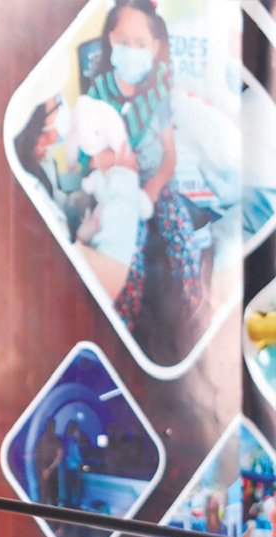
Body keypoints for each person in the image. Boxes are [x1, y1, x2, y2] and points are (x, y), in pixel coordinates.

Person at [85, 0, 207, 359]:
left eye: (142, 45)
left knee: (183, 238)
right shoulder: (98, 94)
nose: (133, 52)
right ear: (112, 40)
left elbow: (170, 156)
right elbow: (91, 154)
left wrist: (151, 192)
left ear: (153, 49)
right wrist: (120, 172)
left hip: (155, 185)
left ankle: (191, 319)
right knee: (127, 254)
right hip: (118, 186)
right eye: (125, 42)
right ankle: (120, 333)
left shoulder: (158, 97)